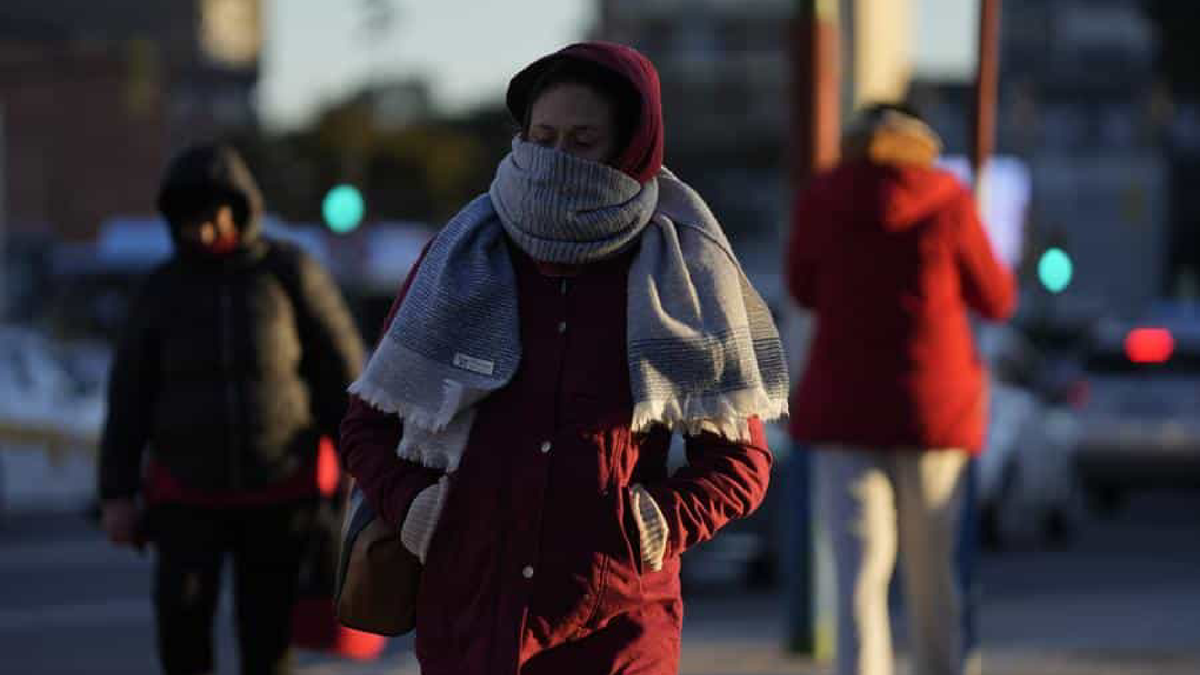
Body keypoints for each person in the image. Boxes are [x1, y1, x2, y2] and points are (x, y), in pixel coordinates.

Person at [339, 41, 788, 675]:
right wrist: (420, 511)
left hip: (617, 628)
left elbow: (741, 463)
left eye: (581, 141)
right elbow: (366, 426)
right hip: (471, 621)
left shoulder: (681, 271)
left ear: (630, 150)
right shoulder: (461, 256)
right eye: (541, 136)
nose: (554, 160)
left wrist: (650, 524)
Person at [98, 142, 365, 675]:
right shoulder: (161, 289)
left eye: (208, 213)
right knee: (181, 633)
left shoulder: (289, 273)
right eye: (185, 217)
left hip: (279, 493)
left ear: (241, 207)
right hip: (183, 494)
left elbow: (342, 373)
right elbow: (128, 395)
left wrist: (360, 462)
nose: (198, 228)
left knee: (266, 642)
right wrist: (116, 492)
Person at [786, 103, 1015, 675]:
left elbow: (802, 287)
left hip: (844, 406)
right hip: (932, 408)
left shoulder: (824, 196)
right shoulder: (948, 198)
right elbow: (996, 297)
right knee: (933, 572)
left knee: (858, 572)